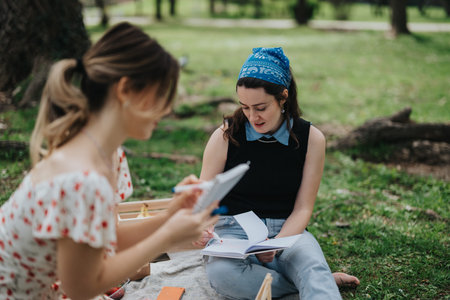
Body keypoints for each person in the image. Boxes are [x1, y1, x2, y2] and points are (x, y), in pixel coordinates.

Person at [0, 22, 218, 299]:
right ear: (125, 89)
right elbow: (82, 287)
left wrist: (169, 216)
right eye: (160, 95)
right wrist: (167, 237)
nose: (166, 109)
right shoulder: (84, 177)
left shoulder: (103, 154)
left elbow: (105, 235)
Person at [200, 47, 359, 300]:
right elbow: (204, 200)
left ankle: (313, 279)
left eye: (260, 107)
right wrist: (204, 226)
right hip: (233, 233)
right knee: (222, 275)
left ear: (283, 97)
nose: (252, 116)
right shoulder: (225, 136)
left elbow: (303, 208)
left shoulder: (312, 139)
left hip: (288, 232)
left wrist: (273, 245)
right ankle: (313, 284)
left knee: (312, 265)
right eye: (244, 107)